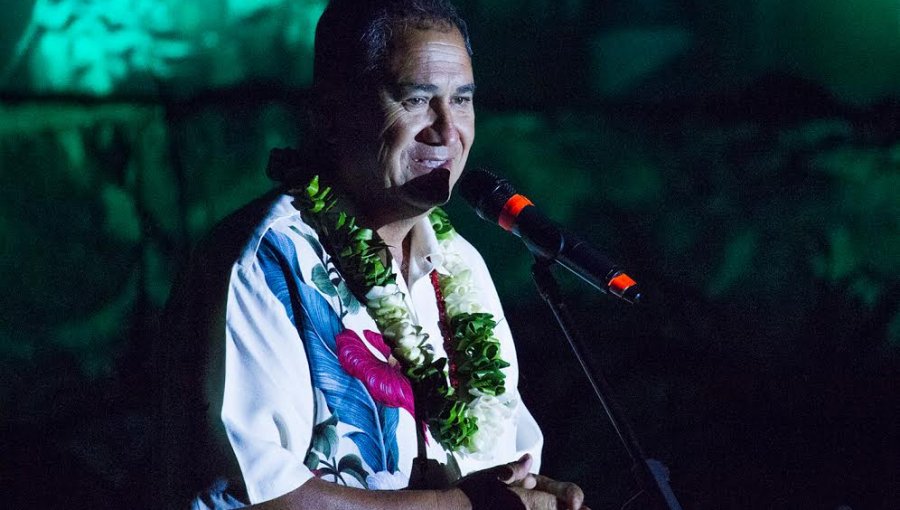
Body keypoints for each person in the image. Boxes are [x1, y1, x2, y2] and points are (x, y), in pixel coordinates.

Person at [162, 1, 589, 509]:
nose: (447, 131)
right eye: (415, 100)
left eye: (462, 101)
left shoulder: (461, 266)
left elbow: (504, 467)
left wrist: (537, 497)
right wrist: (463, 507)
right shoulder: (267, 259)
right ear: (329, 113)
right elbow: (256, 496)